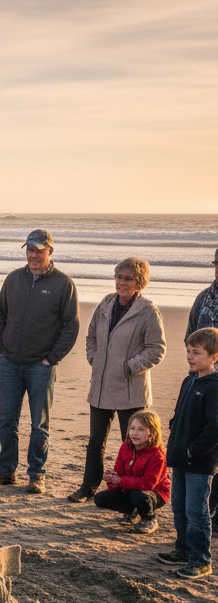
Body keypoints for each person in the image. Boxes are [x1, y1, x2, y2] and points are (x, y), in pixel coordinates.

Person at [0, 229, 79, 494]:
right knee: (6, 423)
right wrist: (0, 350)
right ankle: (6, 470)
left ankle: (36, 474)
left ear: (50, 252)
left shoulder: (63, 284)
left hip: (41, 366)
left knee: (39, 425)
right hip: (9, 363)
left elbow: (71, 326)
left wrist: (51, 358)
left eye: (39, 250)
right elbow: (0, 316)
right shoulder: (13, 279)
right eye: (30, 250)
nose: (33, 255)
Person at [67, 257, 165, 502]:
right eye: (119, 277)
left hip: (131, 390)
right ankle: (87, 488)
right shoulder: (105, 304)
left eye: (128, 279)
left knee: (133, 445)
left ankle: (132, 495)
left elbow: (157, 349)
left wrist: (128, 367)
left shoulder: (148, 311)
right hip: (100, 387)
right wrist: (95, 358)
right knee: (95, 443)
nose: (122, 282)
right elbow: (91, 336)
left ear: (139, 282)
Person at [156, 327, 218, 579]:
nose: (190, 357)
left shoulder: (214, 387)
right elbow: (179, 414)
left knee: (196, 512)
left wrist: (194, 450)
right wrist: (175, 434)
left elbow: (215, 427)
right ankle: (182, 550)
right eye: (188, 351)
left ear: (214, 356)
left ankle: (200, 560)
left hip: (199, 464)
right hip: (180, 457)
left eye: (196, 352)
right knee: (179, 507)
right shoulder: (189, 380)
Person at [93, 409, 170, 534]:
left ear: (152, 432)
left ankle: (149, 519)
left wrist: (120, 480)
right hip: (130, 488)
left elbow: (148, 484)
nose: (135, 433)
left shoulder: (157, 455)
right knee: (100, 499)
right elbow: (120, 473)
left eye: (141, 429)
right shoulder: (125, 447)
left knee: (138, 496)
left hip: (155, 493)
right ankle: (132, 511)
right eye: (132, 428)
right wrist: (111, 479)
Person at [185, 247, 218, 523]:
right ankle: (207, 508)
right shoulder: (203, 298)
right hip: (203, 383)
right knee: (205, 444)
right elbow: (190, 336)